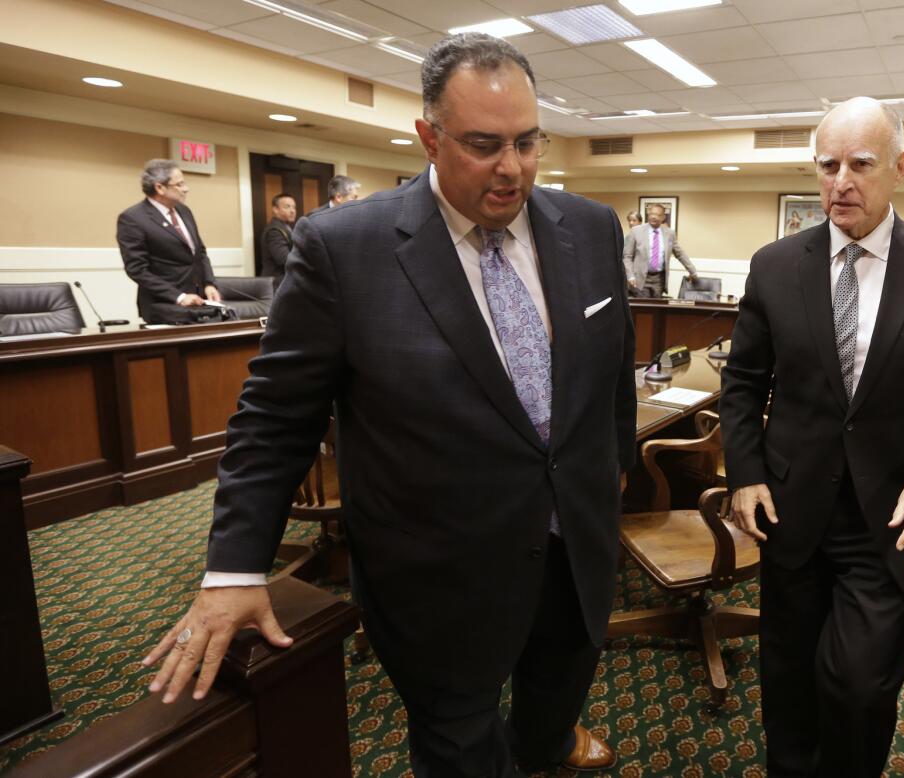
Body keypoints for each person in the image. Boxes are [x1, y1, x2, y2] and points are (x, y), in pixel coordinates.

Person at [140, 33, 635, 777]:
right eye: (483, 144)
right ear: (429, 139)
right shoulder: (345, 248)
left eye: (528, 142)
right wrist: (234, 570)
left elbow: (610, 376)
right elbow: (276, 421)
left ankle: (543, 750)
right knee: (461, 744)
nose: (512, 169)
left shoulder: (590, 229)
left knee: (554, 701)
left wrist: (614, 472)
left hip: (576, 550)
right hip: (438, 577)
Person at [719, 96, 904, 778]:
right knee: (787, 673)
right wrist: (746, 472)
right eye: (827, 164)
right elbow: (743, 384)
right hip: (792, 508)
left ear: (900, 167)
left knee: (859, 682)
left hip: (888, 516)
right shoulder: (775, 264)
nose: (840, 180)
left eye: (861, 164)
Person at [117, 159, 222, 324]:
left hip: (198, 301)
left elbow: (199, 252)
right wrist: (179, 297)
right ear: (160, 187)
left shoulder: (184, 211)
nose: (186, 189)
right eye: (179, 184)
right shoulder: (133, 218)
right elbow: (137, 269)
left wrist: (209, 283)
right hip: (164, 305)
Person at [623, 203, 699, 297]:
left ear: (663, 217)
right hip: (640, 278)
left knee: (656, 308)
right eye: (651, 214)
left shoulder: (669, 234)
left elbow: (680, 254)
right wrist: (630, 275)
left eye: (658, 215)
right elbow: (627, 256)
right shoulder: (636, 231)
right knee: (644, 309)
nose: (654, 217)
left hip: (659, 279)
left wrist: (693, 271)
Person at [260, 193, 296, 288]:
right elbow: (284, 259)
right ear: (275, 210)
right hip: (277, 283)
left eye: (294, 207)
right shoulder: (274, 231)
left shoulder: (286, 227)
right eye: (287, 207)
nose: (292, 211)